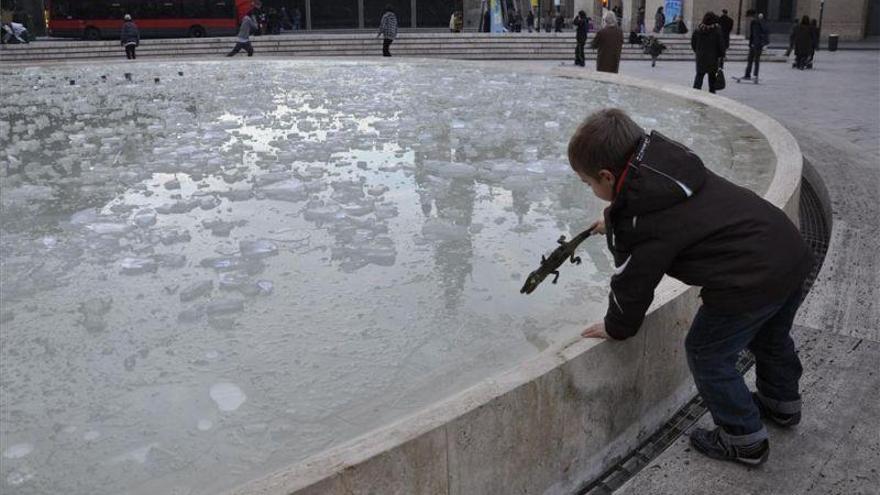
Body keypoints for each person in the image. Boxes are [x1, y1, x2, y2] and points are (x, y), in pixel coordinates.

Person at [570, 108, 811, 467]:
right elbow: (664, 211)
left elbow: (633, 280)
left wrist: (618, 327)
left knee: (707, 353)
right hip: (788, 251)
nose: (591, 190)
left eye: (589, 183)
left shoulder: (640, 219)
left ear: (606, 175)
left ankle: (743, 438)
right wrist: (615, 215)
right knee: (771, 338)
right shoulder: (667, 163)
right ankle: (782, 405)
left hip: (747, 280)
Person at [691, 12, 725, 93]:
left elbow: (693, 43)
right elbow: (721, 45)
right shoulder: (717, 31)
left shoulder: (698, 30)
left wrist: (698, 51)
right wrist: (721, 55)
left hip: (701, 57)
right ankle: (712, 96)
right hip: (713, 58)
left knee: (699, 77)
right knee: (712, 79)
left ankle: (694, 95)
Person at [742, 10, 768, 82]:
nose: (748, 19)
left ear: (751, 16)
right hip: (758, 44)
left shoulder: (755, 22)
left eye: (748, 17)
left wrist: (753, 44)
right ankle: (753, 75)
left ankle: (750, 74)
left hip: (756, 44)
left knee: (753, 59)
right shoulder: (759, 21)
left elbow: (755, 34)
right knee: (754, 60)